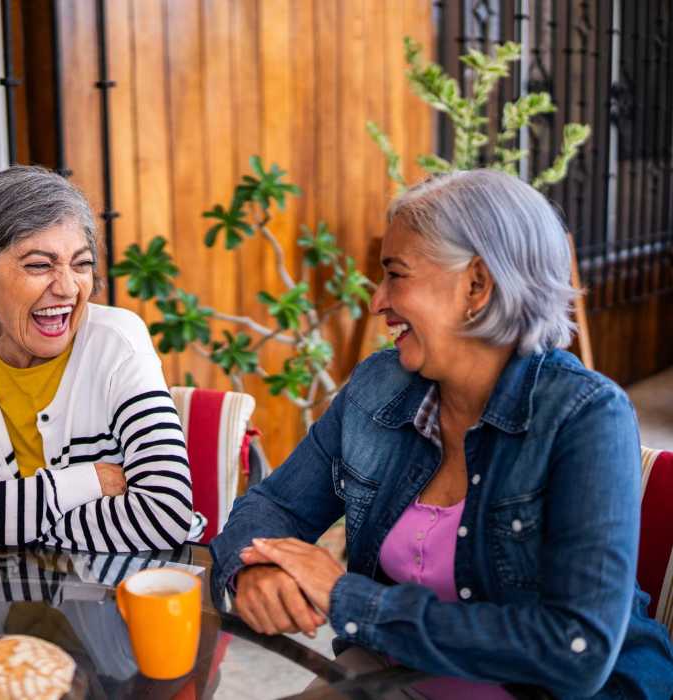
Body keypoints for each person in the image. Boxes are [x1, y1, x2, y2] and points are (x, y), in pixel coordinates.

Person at [210, 169, 673, 697]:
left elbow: (576, 650)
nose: (377, 301)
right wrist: (252, 568)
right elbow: (277, 506)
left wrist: (348, 597)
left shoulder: (586, 415)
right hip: (395, 680)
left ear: (476, 284)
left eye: (395, 275)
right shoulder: (378, 386)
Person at [0, 166, 192, 551]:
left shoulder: (118, 341)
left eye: (81, 264)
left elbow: (164, 513)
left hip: (126, 595)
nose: (68, 288)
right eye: (39, 265)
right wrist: (88, 483)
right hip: (2, 605)